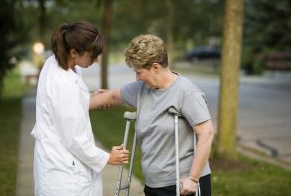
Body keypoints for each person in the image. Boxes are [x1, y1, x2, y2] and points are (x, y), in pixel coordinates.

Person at [90, 34, 214, 196]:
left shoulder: (187, 92)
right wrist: (77, 103)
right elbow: (112, 96)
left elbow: (206, 133)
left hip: (183, 184)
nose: (137, 78)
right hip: (154, 185)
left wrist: (193, 178)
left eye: (139, 72)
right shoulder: (141, 88)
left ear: (155, 67)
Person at [31, 21, 129, 196]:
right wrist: (108, 158)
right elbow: (74, 139)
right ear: (74, 52)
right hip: (63, 175)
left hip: (64, 164)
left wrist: (89, 96)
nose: (96, 60)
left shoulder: (57, 62)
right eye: (92, 56)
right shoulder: (62, 82)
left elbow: (63, 105)